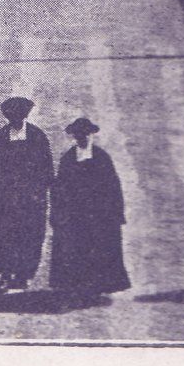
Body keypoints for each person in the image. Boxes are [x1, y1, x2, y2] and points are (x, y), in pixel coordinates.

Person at [0, 97, 54, 290]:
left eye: (18, 117)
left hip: (29, 201)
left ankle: (23, 275)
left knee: (28, 237)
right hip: (5, 199)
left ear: (24, 116)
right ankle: (6, 274)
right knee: (4, 237)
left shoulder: (37, 136)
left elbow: (47, 168)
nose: (15, 120)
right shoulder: (1, 136)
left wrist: (38, 192)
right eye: (12, 117)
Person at [47, 116, 131, 295]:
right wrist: (58, 212)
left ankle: (97, 285)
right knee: (78, 247)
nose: (83, 138)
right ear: (75, 137)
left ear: (91, 135)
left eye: (85, 134)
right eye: (79, 135)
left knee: (99, 247)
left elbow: (113, 186)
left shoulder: (102, 157)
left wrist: (116, 211)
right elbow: (60, 188)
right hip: (76, 214)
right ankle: (79, 284)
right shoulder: (68, 159)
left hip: (99, 213)